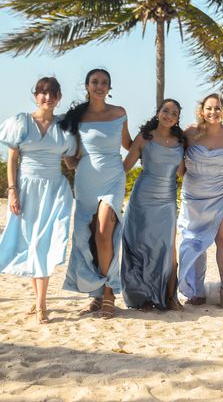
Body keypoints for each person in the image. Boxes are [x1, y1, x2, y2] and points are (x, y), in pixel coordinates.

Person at [0, 77, 75, 323]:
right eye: (43, 93)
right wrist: (12, 190)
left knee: (46, 244)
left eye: (53, 93)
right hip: (27, 190)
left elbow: (70, 160)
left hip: (55, 191)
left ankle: (41, 304)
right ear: (36, 95)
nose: (48, 97)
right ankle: (39, 300)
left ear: (59, 97)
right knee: (33, 244)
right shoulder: (21, 122)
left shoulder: (64, 126)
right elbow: (12, 159)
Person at [61, 68, 132, 319]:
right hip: (86, 180)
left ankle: (109, 293)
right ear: (87, 85)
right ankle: (95, 294)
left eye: (104, 82)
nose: (99, 86)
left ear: (109, 87)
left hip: (113, 177)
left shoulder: (119, 113)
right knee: (87, 236)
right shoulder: (77, 116)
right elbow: (66, 147)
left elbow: (130, 145)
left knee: (104, 231)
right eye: (95, 82)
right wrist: (72, 163)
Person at [178, 93, 223, 308]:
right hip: (193, 197)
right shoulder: (189, 133)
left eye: (217, 108)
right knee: (193, 242)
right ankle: (195, 291)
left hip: (220, 196)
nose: (213, 112)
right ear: (202, 111)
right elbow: (176, 161)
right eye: (209, 108)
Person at [121, 99, 186, 311]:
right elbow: (125, 167)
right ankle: (143, 296)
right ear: (158, 113)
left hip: (166, 200)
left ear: (178, 119)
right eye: (165, 111)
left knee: (166, 247)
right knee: (140, 244)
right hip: (142, 198)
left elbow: (183, 173)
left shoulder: (181, 142)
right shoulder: (144, 138)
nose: (169, 115)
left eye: (174, 113)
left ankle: (169, 296)